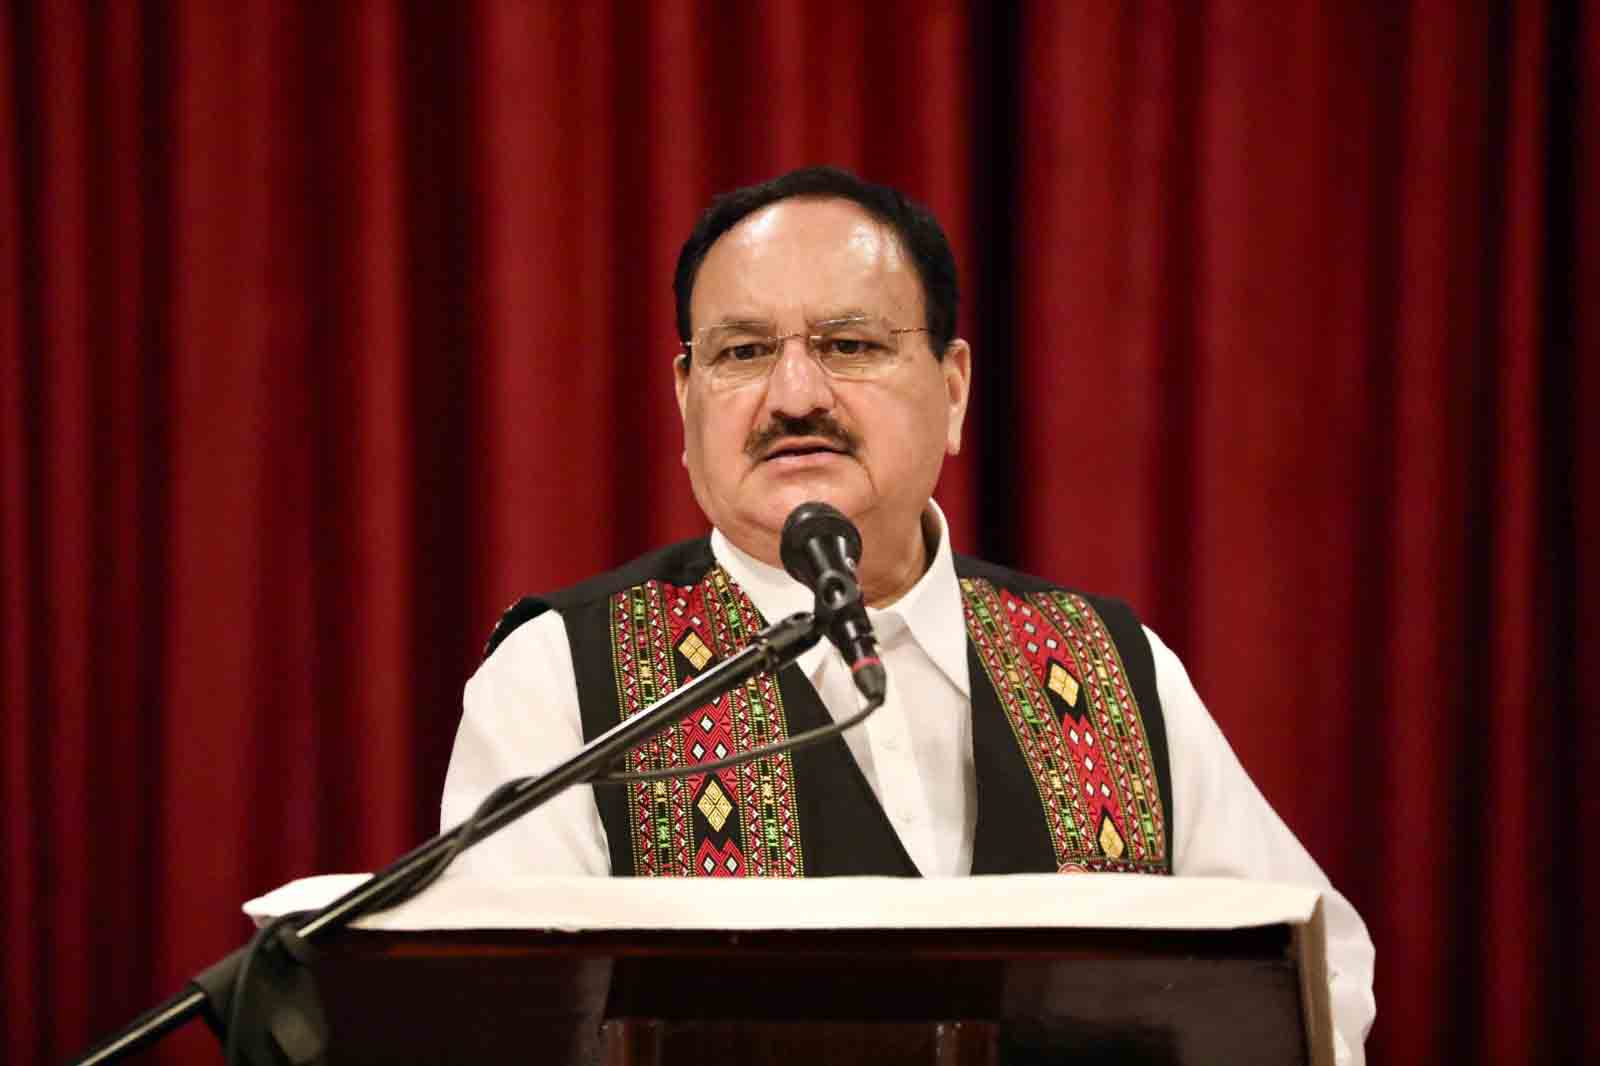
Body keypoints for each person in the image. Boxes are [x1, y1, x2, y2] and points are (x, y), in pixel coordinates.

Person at [441, 166, 1375, 1060]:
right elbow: (500, 1025)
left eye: (850, 345)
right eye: (743, 352)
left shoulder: (1106, 664)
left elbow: (1316, 966)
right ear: (686, 397)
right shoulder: (561, 675)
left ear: (954, 387)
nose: (795, 395)